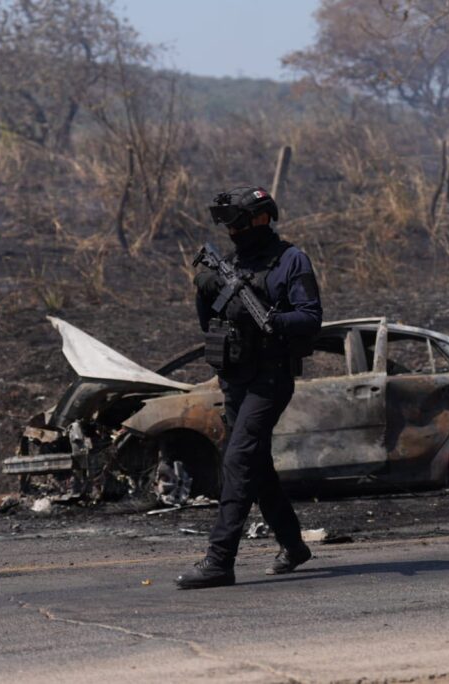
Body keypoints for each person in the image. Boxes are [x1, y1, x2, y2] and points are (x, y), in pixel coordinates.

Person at [175, 186, 323, 590]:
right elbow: (211, 324)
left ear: (262, 218)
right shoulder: (233, 263)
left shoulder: (291, 260)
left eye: (239, 223)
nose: (234, 232)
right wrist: (204, 288)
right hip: (235, 378)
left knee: (238, 461)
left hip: (270, 379)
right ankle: (293, 546)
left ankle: (220, 559)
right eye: (229, 225)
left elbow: (310, 318)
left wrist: (275, 321)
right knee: (257, 468)